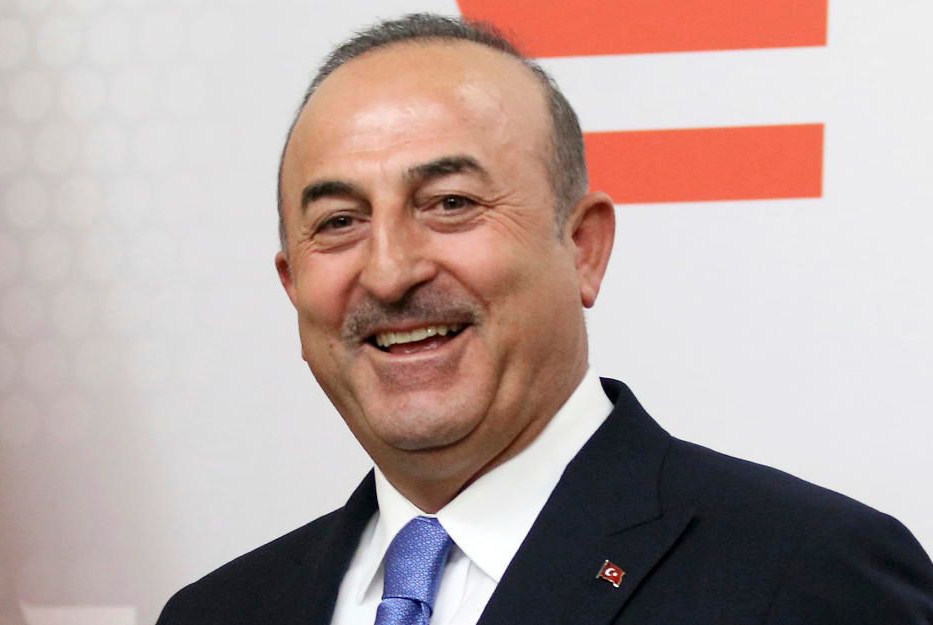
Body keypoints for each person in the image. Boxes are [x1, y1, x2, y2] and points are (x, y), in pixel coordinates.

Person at [156, 14, 933, 625]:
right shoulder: (217, 613)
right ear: (293, 284)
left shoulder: (805, 576)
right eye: (338, 222)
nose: (389, 271)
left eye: (450, 203)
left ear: (583, 247)